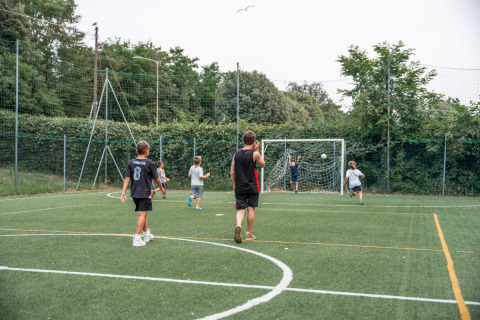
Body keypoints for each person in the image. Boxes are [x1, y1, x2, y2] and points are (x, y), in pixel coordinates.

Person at [121, 141, 166, 247]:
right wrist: (162, 188)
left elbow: (127, 178)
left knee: (143, 213)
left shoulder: (131, 162)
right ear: (147, 152)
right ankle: (137, 238)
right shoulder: (149, 163)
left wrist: (123, 193)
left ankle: (146, 234)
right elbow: (156, 178)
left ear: (137, 151)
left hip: (134, 193)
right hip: (145, 193)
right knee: (142, 214)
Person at [230, 130, 266, 243]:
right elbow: (263, 164)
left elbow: (232, 172)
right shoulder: (255, 154)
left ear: (242, 141)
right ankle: (248, 233)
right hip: (252, 186)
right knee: (251, 209)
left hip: (240, 186)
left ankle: (238, 225)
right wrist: (257, 150)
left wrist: (234, 184)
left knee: (241, 209)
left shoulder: (236, 154)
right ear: (254, 142)